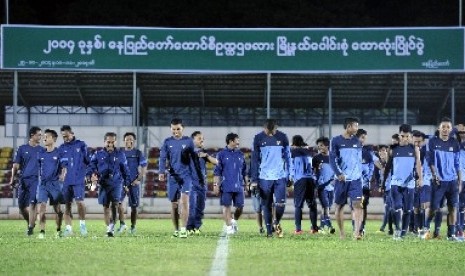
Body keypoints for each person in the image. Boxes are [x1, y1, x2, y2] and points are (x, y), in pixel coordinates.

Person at [250, 119, 292, 238]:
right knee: (266, 205)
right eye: (269, 131)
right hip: (264, 177)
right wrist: (254, 180)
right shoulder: (258, 138)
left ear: (276, 127)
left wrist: (290, 174)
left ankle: (276, 222)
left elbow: (288, 157)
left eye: (273, 131)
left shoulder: (283, 137)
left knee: (280, 204)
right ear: (265, 128)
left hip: (280, 176)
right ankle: (269, 231)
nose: (271, 133)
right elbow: (254, 160)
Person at [425, 117, 463, 241]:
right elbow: (430, 161)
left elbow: (457, 163)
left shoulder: (454, 143)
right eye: (443, 127)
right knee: (434, 208)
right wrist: (435, 175)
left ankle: (451, 234)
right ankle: (425, 230)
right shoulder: (432, 142)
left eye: (448, 127)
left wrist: (459, 180)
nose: (445, 129)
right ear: (439, 129)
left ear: (451, 129)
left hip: (452, 181)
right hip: (438, 180)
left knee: (453, 208)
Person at [87, 132, 131, 237]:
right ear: (104, 141)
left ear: (115, 142)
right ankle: (108, 227)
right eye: (108, 142)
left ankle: (111, 228)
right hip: (103, 183)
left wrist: (127, 184)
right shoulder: (98, 154)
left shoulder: (120, 154)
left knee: (115, 204)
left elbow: (126, 170)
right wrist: (91, 176)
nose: (110, 144)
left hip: (117, 183)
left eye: (112, 142)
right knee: (105, 207)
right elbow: (91, 167)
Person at [383, 124, 422, 240]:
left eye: (407, 136)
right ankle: (397, 230)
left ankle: (403, 233)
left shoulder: (414, 149)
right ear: (399, 135)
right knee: (397, 207)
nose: (405, 138)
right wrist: (384, 182)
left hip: (409, 184)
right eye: (403, 136)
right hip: (396, 183)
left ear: (410, 136)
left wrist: (420, 178)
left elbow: (418, 164)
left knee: (408, 210)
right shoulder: (393, 149)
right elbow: (388, 167)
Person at [159, 118, 196, 238]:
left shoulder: (189, 141)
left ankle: (183, 229)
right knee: (174, 205)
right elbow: (163, 158)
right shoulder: (167, 142)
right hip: (173, 177)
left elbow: (193, 159)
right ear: (171, 129)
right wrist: (161, 172)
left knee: (184, 201)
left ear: (182, 129)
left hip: (186, 176)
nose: (176, 131)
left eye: (178, 129)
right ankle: (176, 229)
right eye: (173, 129)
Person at [329, 117, 363, 240]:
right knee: (339, 207)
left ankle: (356, 233)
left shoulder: (358, 141)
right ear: (348, 127)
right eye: (355, 126)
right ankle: (342, 232)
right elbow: (332, 159)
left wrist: (361, 176)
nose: (357, 128)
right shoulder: (336, 141)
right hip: (341, 180)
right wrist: (338, 173)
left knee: (357, 204)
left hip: (355, 180)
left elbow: (359, 160)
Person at [9, 126, 42, 236]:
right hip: (23, 180)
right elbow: (15, 165)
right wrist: (12, 178)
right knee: (22, 207)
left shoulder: (41, 150)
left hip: (36, 180)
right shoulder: (22, 149)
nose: (40, 137)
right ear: (32, 135)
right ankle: (30, 222)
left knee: (33, 203)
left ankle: (30, 228)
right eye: (39, 135)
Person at [58, 125, 90, 237]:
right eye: (63, 137)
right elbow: (61, 165)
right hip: (66, 181)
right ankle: (68, 228)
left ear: (72, 133)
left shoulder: (81, 145)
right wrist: (61, 174)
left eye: (67, 136)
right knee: (67, 205)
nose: (65, 138)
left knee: (80, 202)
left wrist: (88, 176)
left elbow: (88, 161)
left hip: (78, 179)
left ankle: (82, 226)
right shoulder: (61, 148)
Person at [213, 133, 247, 235]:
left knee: (240, 207)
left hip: (239, 186)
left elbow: (244, 172)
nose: (238, 142)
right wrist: (215, 185)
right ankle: (228, 227)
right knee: (226, 206)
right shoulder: (221, 154)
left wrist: (247, 184)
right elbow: (217, 172)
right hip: (226, 185)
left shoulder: (241, 154)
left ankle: (233, 221)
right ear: (231, 141)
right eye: (237, 140)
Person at [116, 132, 148, 235]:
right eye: (127, 139)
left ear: (134, 141)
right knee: (118, 203)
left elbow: (144, 167)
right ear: (124, 141)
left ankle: (133, 227)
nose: (129, 141)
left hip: (133, 183)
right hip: (121, 183)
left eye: (131, 139)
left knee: (134, 206)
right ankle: (122, 224)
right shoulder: (119, 152)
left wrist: (138, 179)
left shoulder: (138, 153)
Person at [186, 131, 218, 235]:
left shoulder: (204, 152)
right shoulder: (187, 152)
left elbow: (216, 162)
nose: (202, 140)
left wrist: (206, 156)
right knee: (192, 206)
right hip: (191, 183)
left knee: (200, 207)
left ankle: (197, 227)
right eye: (199, 138)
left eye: (202, 138)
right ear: (193, 140)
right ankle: (189, 227)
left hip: (202, 184)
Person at [36, 129, 64, 239]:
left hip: (55, 184)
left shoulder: (59, 153)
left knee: (58, 210)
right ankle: (42, 231)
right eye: (44, 136)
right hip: (43, 184)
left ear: (54, 139)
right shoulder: (40, 153)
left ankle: (58, 229)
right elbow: (38, 168)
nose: (44, 138)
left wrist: (63, 174)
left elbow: (64, 167)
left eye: (47, 136)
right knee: (41, 209)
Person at [290, 135, 318, 234]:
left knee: (298, 205)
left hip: (300, 179)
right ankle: (314, 228)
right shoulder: (310, 152)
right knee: (312, 205)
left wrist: (290, 180)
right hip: (310, 179)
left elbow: (290, 167)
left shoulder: (292, 152)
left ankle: (298, 229)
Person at [412, 130, 433, 238]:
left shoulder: (426, 150)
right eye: (415, 142)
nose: (417, 144)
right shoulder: (409, 150)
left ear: (423, 141)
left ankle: (426, 228)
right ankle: (417, 228)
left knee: (426, 204)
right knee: (416, 207)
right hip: (411, 181)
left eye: (419, 142)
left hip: (425, 180)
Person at [313, 136, 336, 234]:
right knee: (326, 207)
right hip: (322, 187)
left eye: (321, 145)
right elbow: (313, 172)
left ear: (327, 146)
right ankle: (330, 226)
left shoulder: (333, 157)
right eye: (318, 146)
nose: (319, 147)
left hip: (332, 186)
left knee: (327, 207)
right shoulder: (316, 158)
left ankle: (321, 227)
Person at [356, 129, 375, 236]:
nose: (363, 140)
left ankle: (362, 227)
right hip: (354, 184)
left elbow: (371, 166)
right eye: (362, 137)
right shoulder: (351, 151)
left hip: (364, 186)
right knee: (355, 206)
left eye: (364, 138)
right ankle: (356, 226)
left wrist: (368, 176)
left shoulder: (367, 153)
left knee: (363, 206)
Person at [375, 144, 394, 235]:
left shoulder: (391, 162)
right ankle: (391, 229)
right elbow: (378, 177)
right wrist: (380, 186)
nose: (382, 152)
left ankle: (383, 228)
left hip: (392, 187)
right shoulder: (379, 164)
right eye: (380, 151)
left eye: (384, 151)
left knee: (388, 207)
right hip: (385, 188)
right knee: (389, 208)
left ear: (387, 152)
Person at [457, 125, 465, 238]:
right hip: (461, 179)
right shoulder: (457, 146)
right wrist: (457, 129)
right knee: (459, 205)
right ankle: (459, 229)